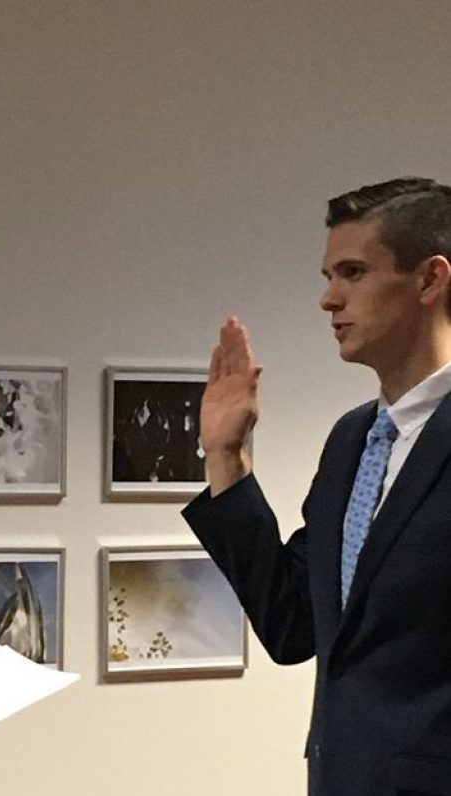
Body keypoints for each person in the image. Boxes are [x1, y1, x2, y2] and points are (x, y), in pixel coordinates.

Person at [182, 177, 451, 796]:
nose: (329, 300)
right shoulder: (352, 440)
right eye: (328, 276)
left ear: (430, 280)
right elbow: (293, 624)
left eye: (352, 273)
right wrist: (226, 459)